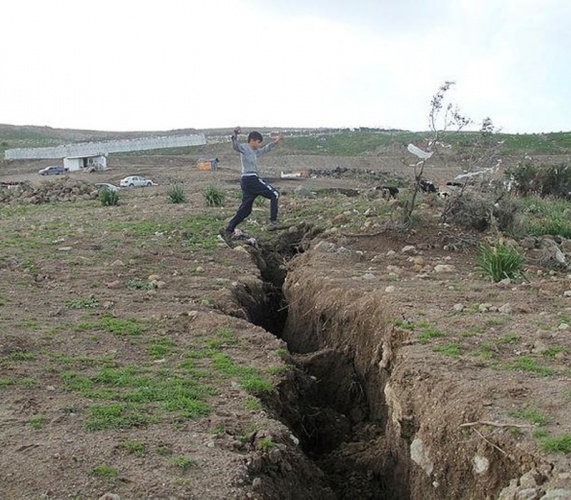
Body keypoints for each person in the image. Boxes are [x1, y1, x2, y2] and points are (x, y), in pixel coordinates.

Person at [220, 127, 284, 241]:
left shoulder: (255, 151)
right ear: (252, 140)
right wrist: (235, 134)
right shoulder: (245, 148)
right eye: (259, 143)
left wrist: (275, 141)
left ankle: (229, 229)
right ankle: (273, 222)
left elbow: (266, 149)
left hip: (245, 181)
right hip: (250, 178)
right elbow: (235, 146)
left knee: (246, 209)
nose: (259, 145)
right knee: (275, 194)